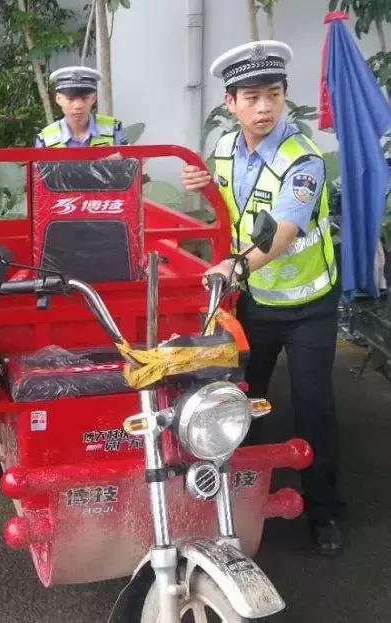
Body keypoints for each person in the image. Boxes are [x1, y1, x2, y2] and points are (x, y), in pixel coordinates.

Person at [181, 40, 343, 556]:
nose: (264, 107)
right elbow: (227, 202)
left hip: (308, 305)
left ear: (284, 96)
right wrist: (203, 182)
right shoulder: (226, 149)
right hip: (254, 305)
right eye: (250, 97)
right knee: (243, 402)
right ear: (230, 103)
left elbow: (286, 231)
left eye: (273, 94)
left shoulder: (304, 160)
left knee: (314, 406)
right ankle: (244, 501)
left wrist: (235, 266)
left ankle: (324, 511)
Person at [34, 65, 127, 148]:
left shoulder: (114, 129)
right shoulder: (45, 139)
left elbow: (132, 164)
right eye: (70, 99)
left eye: (84, 98)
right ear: (58, 99)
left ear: (94, 98)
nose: (78, 106)